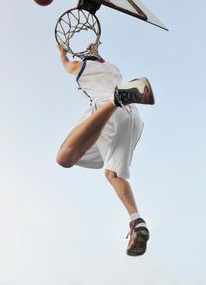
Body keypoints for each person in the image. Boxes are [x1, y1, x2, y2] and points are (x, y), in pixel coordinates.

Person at [56, 43, 155, 256]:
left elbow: (67, 66)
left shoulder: (80, 66)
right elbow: (97, 59)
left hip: (107, 107)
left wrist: (62, 53)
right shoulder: (112, 68)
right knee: (112, 173)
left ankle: (117, 99)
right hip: (133, 116)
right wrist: (94, 52)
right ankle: (136, 221)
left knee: (64, 157)